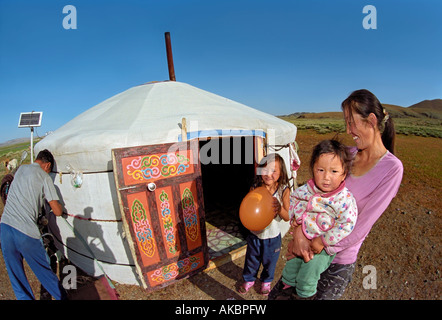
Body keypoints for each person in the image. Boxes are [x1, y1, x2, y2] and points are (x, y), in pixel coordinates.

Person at [270, 89, 404, 300]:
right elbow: (312, 193)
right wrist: (298, 234)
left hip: (338, 261)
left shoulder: (391, 169)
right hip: (306, 245)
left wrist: (322, 243)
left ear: (371, 121)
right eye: (346, 123)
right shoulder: (346, 155)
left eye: (351, 123)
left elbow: (362, 225)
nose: (348, 130)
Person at [275, 139, 357, 299]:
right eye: (320, 170)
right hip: (302, 238)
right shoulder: (306, 189)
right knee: (290, 269)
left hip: (321, 249)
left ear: (344, 174)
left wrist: (322, 240)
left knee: (308, 276)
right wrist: (295, 218)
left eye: (334, 171)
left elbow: (347, 224)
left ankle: (305, 296)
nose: (326, 177)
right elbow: (294, 200)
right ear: (313, 169)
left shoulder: (344, 199)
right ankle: (285, 291)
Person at [0, 149, 67, 300]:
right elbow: (56, 211)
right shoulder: (44, 177)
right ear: (47, 165)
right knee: (45, 273)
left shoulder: (21, 169)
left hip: (4, 227)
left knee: (16, 278)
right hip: (25, 232)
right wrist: (62, 208)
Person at [238, 153, 290, 296]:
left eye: (274, 170)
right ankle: (249, 280)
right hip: (255, 234)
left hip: (273, 237)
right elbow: (248, 209)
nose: (269, 174)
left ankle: (266, 281)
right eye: (265, 170)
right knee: (251, 259)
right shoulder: (255, 187)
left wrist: (279, 209)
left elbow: (287, 217)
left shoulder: (283, 190)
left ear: (281, 172)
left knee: (270, 261)